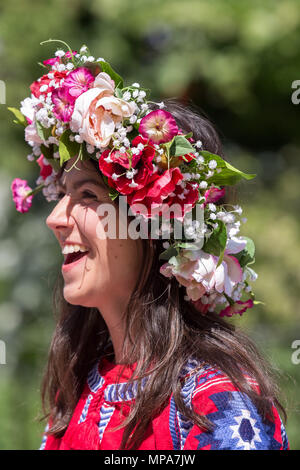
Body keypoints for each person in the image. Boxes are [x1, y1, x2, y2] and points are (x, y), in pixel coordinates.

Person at [9, 42, 289, 450]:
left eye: (87, 195)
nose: (54, 218)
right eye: (62, 195)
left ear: (155, 222)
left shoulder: (217, 402)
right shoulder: (79, 386)